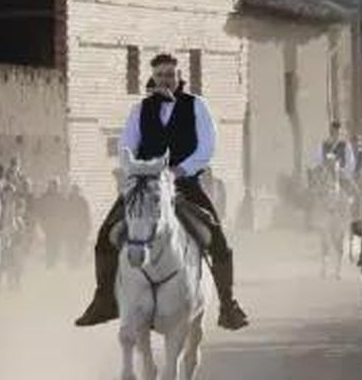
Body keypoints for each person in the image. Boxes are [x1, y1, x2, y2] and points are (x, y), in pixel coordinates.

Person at [76, 53, 249, 331]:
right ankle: (105, 300)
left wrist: (180, 170)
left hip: (184, 183)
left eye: (171, 74)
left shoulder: (197, 106)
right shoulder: (140, 110)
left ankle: (228, 305)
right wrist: (137, 170)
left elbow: (206, 147)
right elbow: (126, 147)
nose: (166, 80)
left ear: (180, 77)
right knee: (104, 237)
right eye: (161, 75)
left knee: (217, 239)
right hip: (145, 183)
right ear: (153, 77)